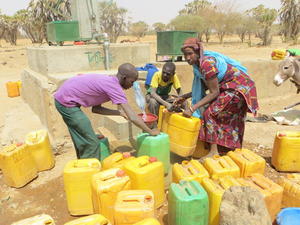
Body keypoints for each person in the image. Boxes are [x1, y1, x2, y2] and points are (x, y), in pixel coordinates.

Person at [54, 63, 159, 159]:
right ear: (124, 78)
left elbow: (96, 109)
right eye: (131, 82)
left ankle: (83, 162)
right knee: (91, 143)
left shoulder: (109, 81)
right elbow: (133, 117)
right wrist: (150, 131)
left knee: (83, 136)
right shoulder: (114, 87)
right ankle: (90, 171)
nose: (132, 85)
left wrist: (119, 113)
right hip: (67, 103)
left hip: (64, 96)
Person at [177, 38, 259, 157]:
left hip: (238, 88)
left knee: (209, 113)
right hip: (229, 87)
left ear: (197, 52)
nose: (187, 58)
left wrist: (192, 108)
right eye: (185, 55)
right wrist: (184, 97)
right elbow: (209, 86)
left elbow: (214, 92)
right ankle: (229, 148)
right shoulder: (198, 65)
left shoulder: (206, 64)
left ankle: (213, 152)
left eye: (190, 54)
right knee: (226, 115)